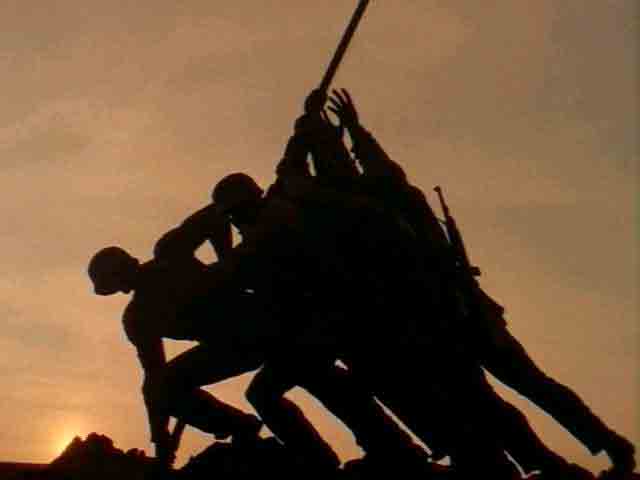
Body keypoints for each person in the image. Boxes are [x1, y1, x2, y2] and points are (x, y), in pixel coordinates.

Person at [324, 87, 636, 478]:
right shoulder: (376, 205)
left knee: (528, 387)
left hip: (461, 313)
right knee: (499, 400)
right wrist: (339, 134)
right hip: (442, 323)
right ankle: (553, 460)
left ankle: (603, 447)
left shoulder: (384, 203)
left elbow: (365, 175)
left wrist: (345, 134)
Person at [212, 170, 527, 479]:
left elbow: (241, 267)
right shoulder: (276, 218)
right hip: (333, 322)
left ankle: (406, 451)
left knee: (380, 388)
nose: (234, 221)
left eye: (234, 214)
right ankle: (402, 449)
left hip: (338, 320)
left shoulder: (276, 222)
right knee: (365, 385)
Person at [88, 202, 421, 472]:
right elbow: (156, 378)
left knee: (302, 381)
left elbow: (216, 215)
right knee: (270, 389)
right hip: (235, 346)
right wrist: (160, 437)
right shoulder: (138, 317)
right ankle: (255, 434)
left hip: (267, 322)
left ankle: (387, 448)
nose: (124, 278)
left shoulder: (170, 254)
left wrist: (227, 265)